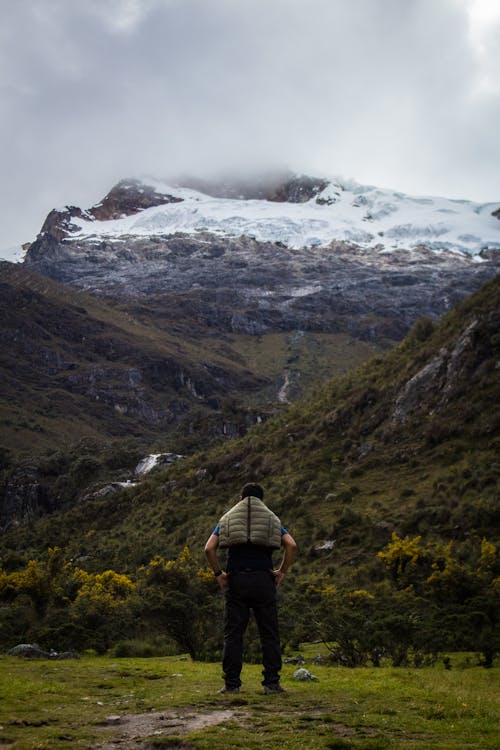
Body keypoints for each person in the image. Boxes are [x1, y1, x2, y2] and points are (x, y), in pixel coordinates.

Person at [204, 482, 297, 694]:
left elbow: (209, 548)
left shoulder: (227, 518)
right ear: (261, 500)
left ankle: (231, 685)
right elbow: (291, 545)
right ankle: (271, 684)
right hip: (264, 580)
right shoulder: (272, 518)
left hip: (237, 581)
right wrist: (281, 571)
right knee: (269, 634)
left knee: (234, 634)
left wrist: (219, 575)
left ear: (241, 498)